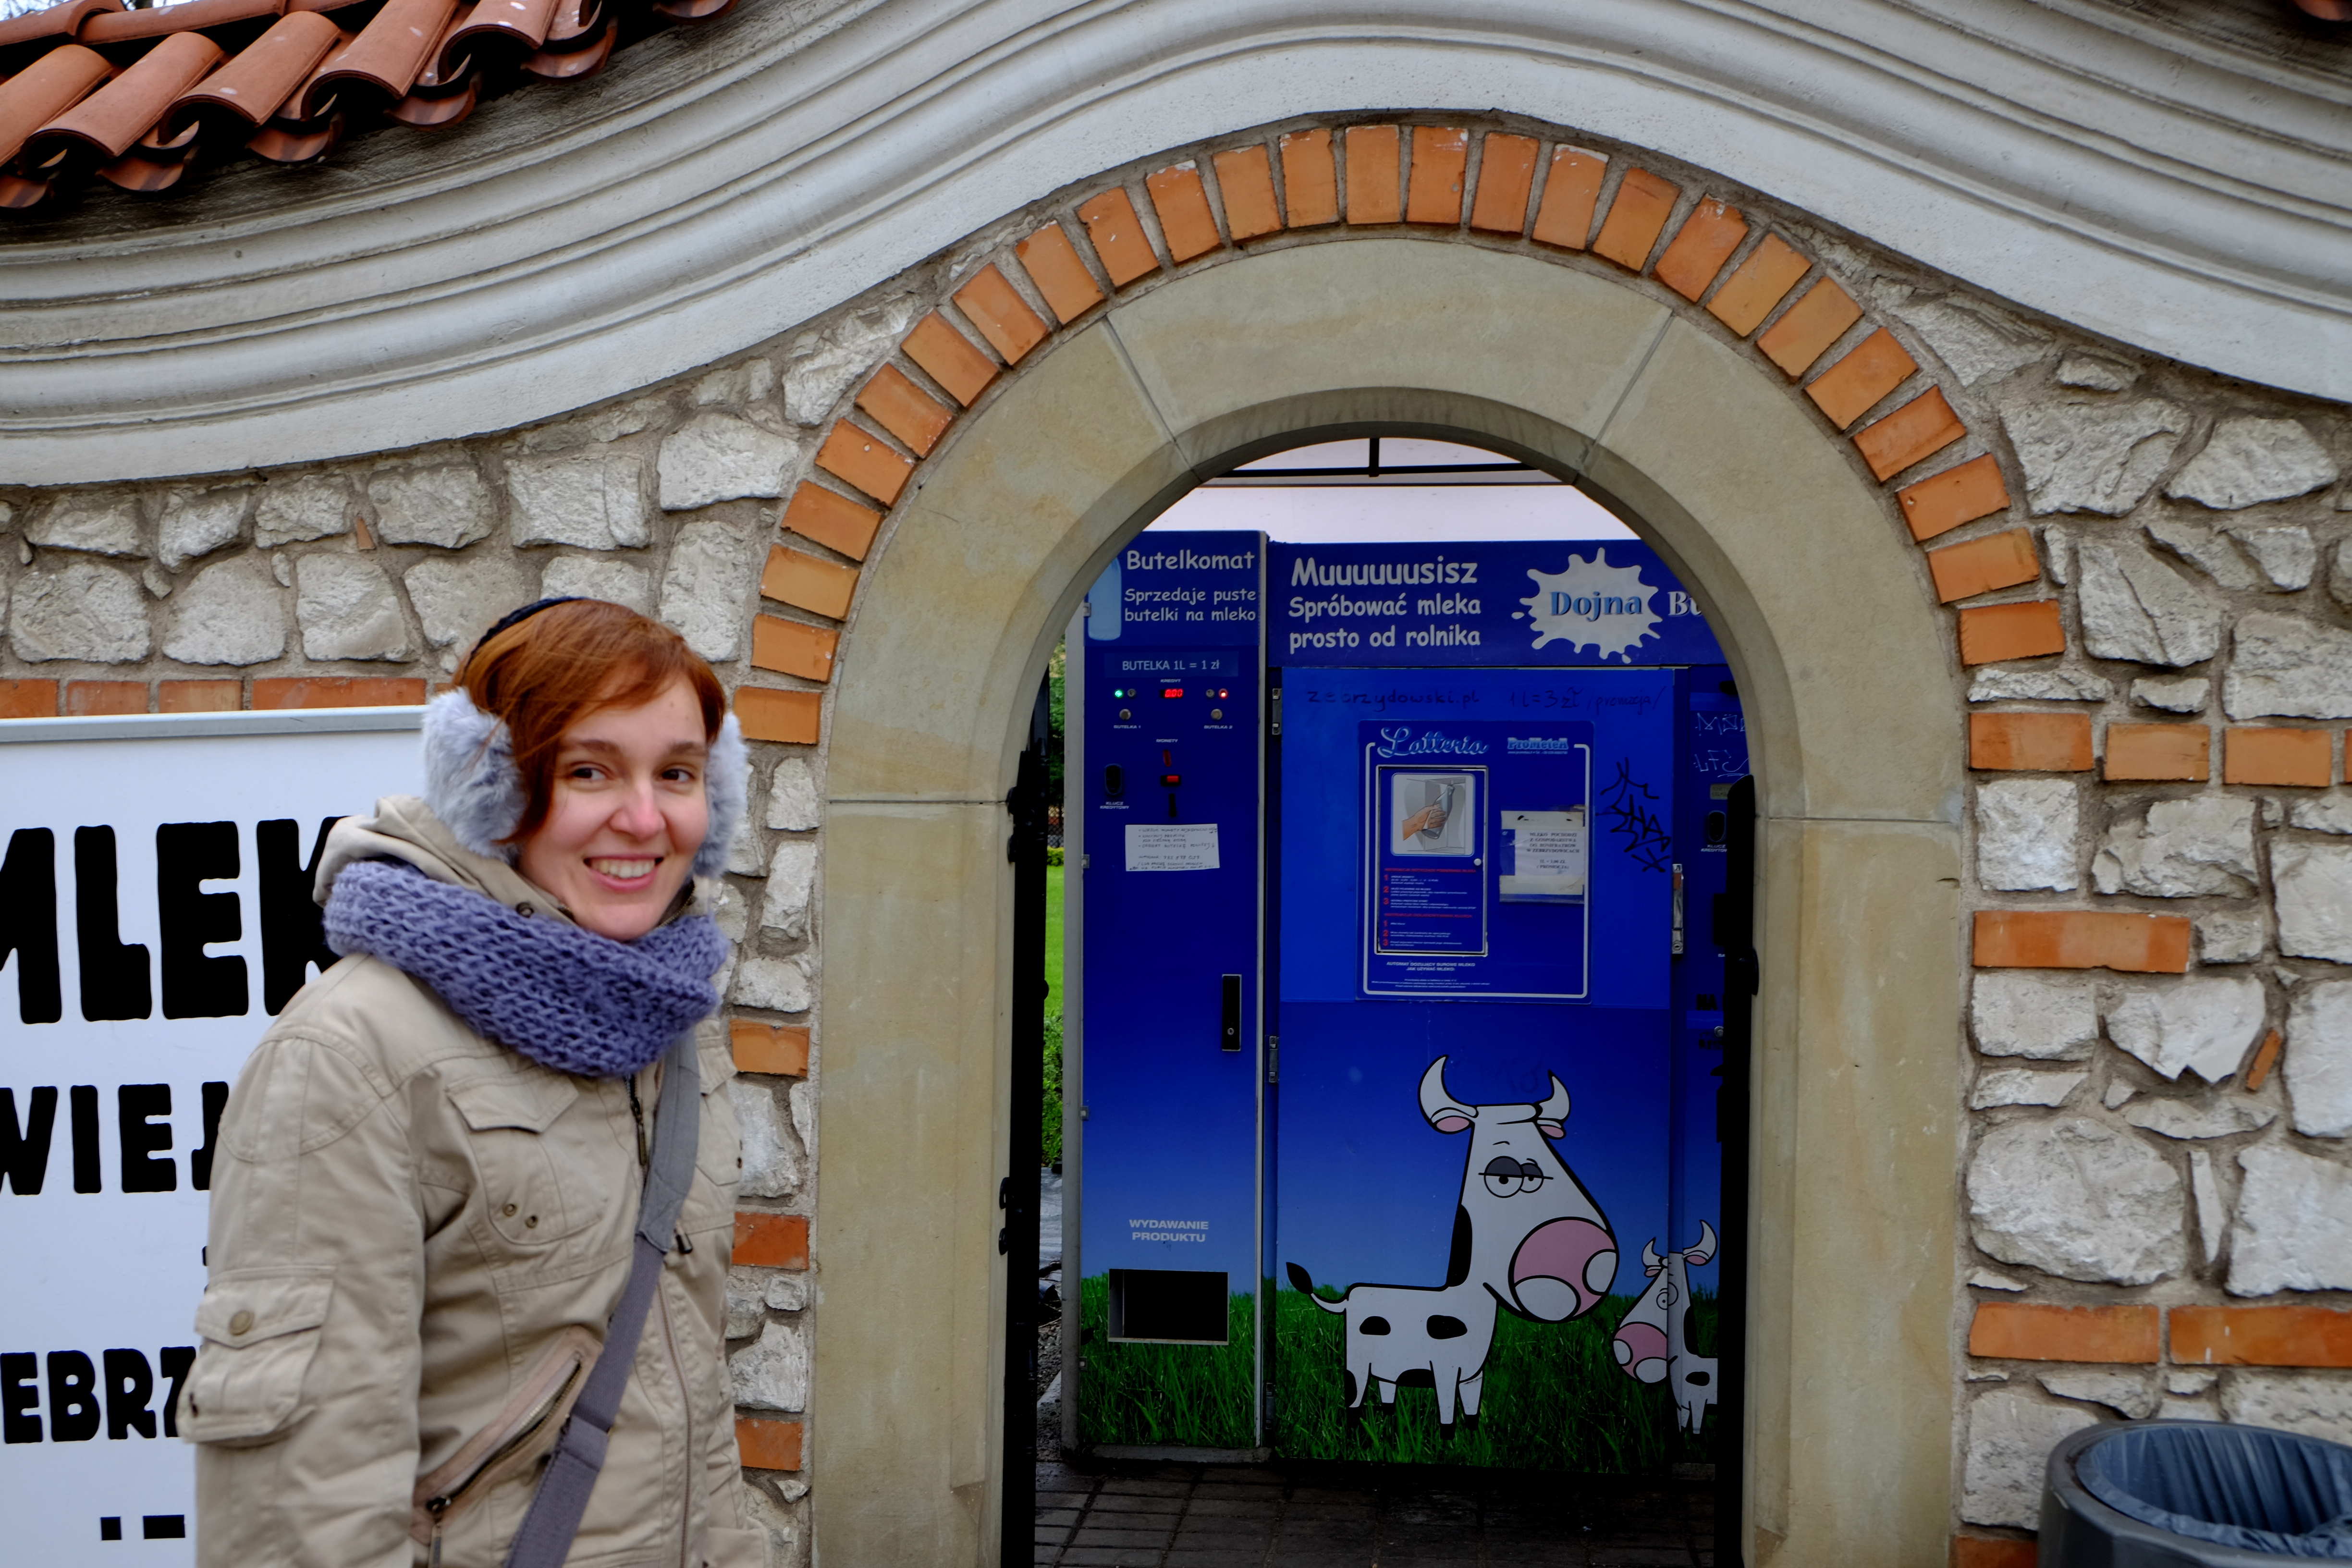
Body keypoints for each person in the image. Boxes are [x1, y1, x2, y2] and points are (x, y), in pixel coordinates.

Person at [178, 599, 763, 1568]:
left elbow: (688, 1402)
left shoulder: (668, 1021)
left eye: (678, 773)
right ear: (493, 787)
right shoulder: (352, 1052)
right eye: (588, 771)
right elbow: (300, 1515)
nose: (645, 819)